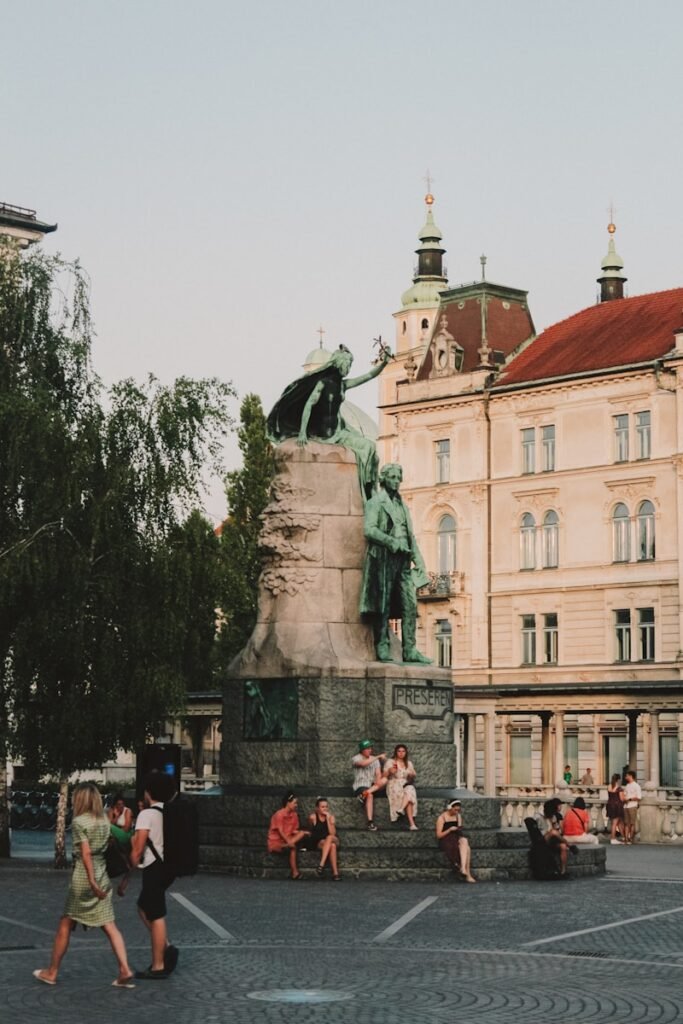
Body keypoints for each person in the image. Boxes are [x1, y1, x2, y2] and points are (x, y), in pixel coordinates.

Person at [32, 782, 135, 989]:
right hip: (102, 874)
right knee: (109, 925)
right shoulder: (105, 822)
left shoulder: (80, 822)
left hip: (84, 879)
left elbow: (86, 853)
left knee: (65, 923)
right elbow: (123, 843)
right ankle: (125, 969)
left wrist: (91, 882)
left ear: (79, 800)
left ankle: (52, 971)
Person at [267, 344, 391, 500]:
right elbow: (308, 405)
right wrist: (303, 432)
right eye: (348, 364)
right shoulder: (323, 384)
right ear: (339, 363)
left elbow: (368, 376)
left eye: (351, 365)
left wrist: (384, 363)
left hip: (339, 433)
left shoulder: (343, 385)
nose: (349, 368)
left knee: (370, 447)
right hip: (321, 434)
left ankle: (368, 490)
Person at [360, 463, 432, 664]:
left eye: (398, 477)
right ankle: (382, 644)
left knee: (410, 604)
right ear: (383, 480)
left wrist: (420, 562)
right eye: (392, 477)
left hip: (403, 560)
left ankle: (410, 649)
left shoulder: (403, 506)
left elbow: (411, 537)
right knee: (383, 602)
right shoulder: (376, 503)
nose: (396, 481)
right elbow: (369, 530)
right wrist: (392, 542)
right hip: (383, 558)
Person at [130, 771, 179, 980]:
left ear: (149, 793)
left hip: (153, 867)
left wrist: (132, 859)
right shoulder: (170, 813)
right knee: (143, 907)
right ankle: (165, 946)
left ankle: (158, 965)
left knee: (156, 915)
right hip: (168, 868)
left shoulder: (146, 815)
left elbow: (138, 848)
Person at [267, 792, 310, 878]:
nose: (296, 805)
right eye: (295, 803)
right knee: (292, 846)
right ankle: (287, 846)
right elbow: (280, 831)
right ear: (288, 803)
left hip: (288, 841)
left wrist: (303, 833)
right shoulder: (279, 814)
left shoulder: (294, 815)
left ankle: (295, 873)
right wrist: (289, 841)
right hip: (277, 842)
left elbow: (294, 830)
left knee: (297, 839)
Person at [435, 799, 476, 882]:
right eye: (455, 810)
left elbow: (459, 830)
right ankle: (467, 874)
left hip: (456, 836)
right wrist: (449, 830)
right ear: (450, 808)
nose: (456, 811)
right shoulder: (442, 818)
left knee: (464, 841)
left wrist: (458, 830)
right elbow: (439, 835)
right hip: (446, 839)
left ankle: (463, 868)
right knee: (467, 849)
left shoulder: (458, 816)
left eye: (458, 810)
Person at [352, 740, 387, 831]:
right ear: (362, 750)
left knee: (385, 779)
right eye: (367, 748)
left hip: (373, 785)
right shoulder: (356, 758)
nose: (370, 750)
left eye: (370, 748)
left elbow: (378, 773)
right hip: (361, 785)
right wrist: (378, 756)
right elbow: (363, 764)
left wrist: (378, 780)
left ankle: (364, 794)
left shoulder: (374, 759)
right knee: (370, 796)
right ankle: (370, 822)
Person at [303, 797, 340, 880]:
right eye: (322, 807)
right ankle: (335, 874)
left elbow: (333, 833)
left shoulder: (330, 817)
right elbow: (310, 829)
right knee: (332, 846)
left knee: (330, 838)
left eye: (326, 806)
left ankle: (321, 865)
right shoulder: (313, 817)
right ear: (317, 808)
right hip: (321, 842)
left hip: (333, 839)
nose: (325, 809)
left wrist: (328, 819)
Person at [383, 744, 418, 830]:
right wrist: (390, 771)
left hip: (405, 784)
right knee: (409, 795)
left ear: (406, 753)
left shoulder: (408, 763)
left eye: (403, 751)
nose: (401, 753)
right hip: (394, 783)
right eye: (399, 751)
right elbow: (384, 775)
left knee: (410, 790)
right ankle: (412, 824)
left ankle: (401, 809)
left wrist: (411, 775)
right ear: (396, 752)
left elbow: (413, 775)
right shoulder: (391, 762)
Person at [538, 797, 576, 877]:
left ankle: (563, 871)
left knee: (563, 846)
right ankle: (570, 845)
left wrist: (554, 824)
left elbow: (559, 831)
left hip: (552, 840)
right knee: (553, 832)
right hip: (542, 840)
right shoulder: (539, 817)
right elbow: (539, 832)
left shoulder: (554, 817)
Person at [622, 769, 642, 844]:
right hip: (626, 806)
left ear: (630, 776)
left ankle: (630, 838)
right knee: (626, 823)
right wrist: (624, 798)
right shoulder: (627, 785)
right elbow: (624, 794)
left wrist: (629, 799)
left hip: (632, 805)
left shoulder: (636, 786)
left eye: (626, 776)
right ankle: (626, 838)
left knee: (632, 823)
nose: (625, 777)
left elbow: (639, 797)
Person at [606, 773, 625, 844]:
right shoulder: (619, 788)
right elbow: (622, 799)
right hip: (617, 806)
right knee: (615, 823)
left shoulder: (609, 786)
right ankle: (613, 838)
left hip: (610, 805)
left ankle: (623, 837)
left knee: (617, 822)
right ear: (619, 779)